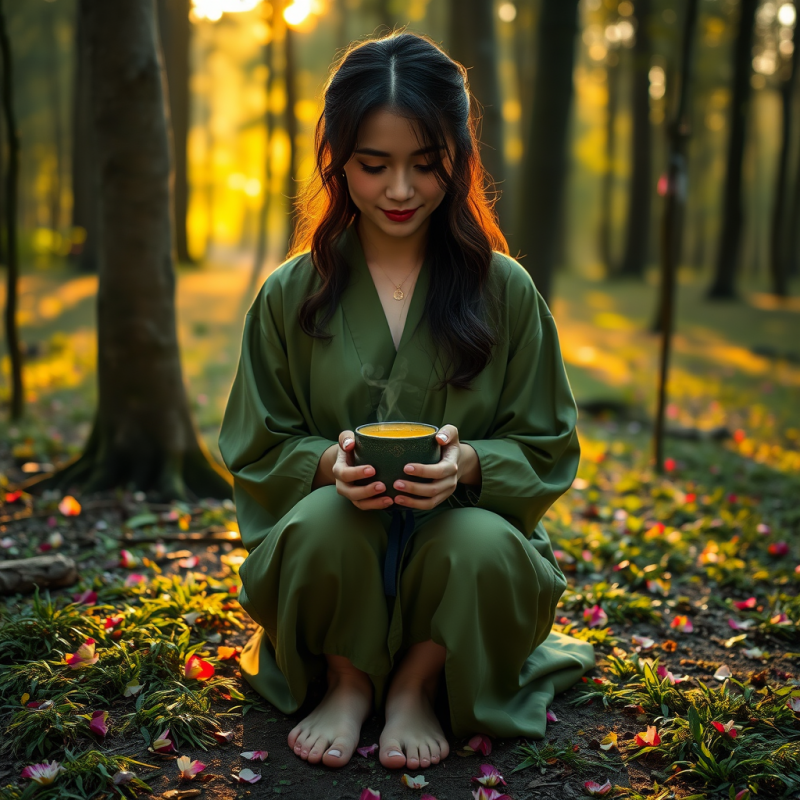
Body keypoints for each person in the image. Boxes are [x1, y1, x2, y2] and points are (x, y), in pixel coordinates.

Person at [218, 30, 595, 774]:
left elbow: (547, 443)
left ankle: (421, 681)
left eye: (425, 165)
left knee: (476, 542)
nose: (399, 190)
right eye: (373, 165)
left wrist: (470, 465)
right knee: (328, 520)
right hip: (333, 543)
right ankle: (348, 678)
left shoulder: (506, 291)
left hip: (463, 553)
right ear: (336, 160)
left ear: (458, 159)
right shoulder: (289, 295)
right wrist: (326, 464)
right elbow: (258, 443)